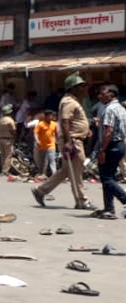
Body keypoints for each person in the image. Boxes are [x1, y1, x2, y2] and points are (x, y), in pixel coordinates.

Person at [32, 73, 93, 210]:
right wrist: (68, 141)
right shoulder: (69, 102)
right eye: (82, 86)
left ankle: (41, 191)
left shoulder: (74, 100)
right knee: (77, 170)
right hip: (73, 140)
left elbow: (72, 121)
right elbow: (65, 121)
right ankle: (82, 201)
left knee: (66, 170)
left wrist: (85, 129)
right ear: (74, 88)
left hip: (75, 138)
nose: (85, 89)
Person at [94, 84, 126, 218]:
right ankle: (109, 208)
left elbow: (109, 131)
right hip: (119, 144)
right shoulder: (121, 108)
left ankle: (124, 199)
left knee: (106, 178)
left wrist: (102, 150)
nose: (99, 96)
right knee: (109, 176)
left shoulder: (109, 109)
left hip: (111, 145)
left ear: (111, 95)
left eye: (103, 93)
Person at [33, 109, 58, 177]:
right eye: (50, 116)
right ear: (46, 116)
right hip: (42, 146)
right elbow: (35, 133)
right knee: (42, 161)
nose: (51, 117)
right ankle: (42, 174)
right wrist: (37, 140)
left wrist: (58, 141)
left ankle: (54, 175)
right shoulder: (40, 124)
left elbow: (57, 133)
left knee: (52, 160)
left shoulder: (54, 124)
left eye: (51, 116)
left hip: (51, 146)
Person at [0, 104, 17, 175]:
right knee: (8, 155)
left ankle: (3, 168)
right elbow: (13, 130)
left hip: (0, 138)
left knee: (3, 155)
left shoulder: (0, 120)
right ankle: (5, 171)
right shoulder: (10, 120)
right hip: (8, 139)